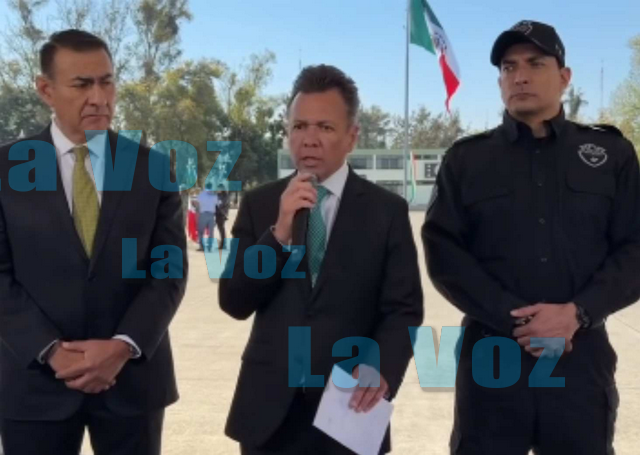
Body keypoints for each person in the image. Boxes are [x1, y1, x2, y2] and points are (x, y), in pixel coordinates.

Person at [422, 20, 640, 455]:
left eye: (535, 64)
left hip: (580, 356)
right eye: (508, 67)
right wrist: (516, 319)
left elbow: (635, 248)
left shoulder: (609, 155)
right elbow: (444, 253)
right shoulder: (466, 160)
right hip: (493, 358)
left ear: (564, 77)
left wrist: (577, 313)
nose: (519, 76)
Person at [0, 29, 188, 455]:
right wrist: (51, 351)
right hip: (34, 386)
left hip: (132, 383)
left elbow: (168, 271)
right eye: (82, 84)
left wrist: (123, 347)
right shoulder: (6, 169)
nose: (99, 98)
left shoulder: (152, 169)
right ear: (45, 90)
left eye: (107, 82)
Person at [219, 64, 424, 454]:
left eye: (325, 128)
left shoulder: (386, 212)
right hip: (268, 414)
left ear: (352, 137)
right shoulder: (261, 204)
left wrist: (381, 366)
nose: (309, 140)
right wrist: (279, 233)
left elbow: (404, 308)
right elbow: (234, 301)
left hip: (349, 409)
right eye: (299, 126)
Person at [196, 182, 217, 252]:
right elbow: (217, 204)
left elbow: (198, 204)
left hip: (203, 214)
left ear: (205, 187)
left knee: (201, 231)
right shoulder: (214, 195)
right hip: (211, 215)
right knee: (211, 232)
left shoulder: (201, 194)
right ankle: (209, 247)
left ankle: (201, 246)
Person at [215, 184, 231, 249]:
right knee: (220, 229)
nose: (217, 190)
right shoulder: (217, 195)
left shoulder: (225, 196)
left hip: (222, 214)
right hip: (217, 213)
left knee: (222, 229)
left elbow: (223, 204)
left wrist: (217, 203)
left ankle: (223, 244)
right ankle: (222, 242)